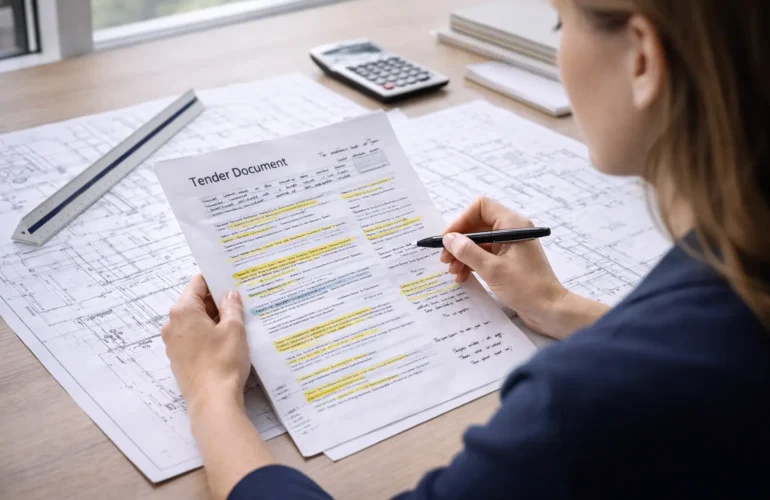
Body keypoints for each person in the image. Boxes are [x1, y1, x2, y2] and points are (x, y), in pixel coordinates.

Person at [161, 0, 770, 498]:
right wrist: (561, 307)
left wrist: (211, 395)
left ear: (642, 58)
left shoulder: (580, 404)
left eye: (560, 23)